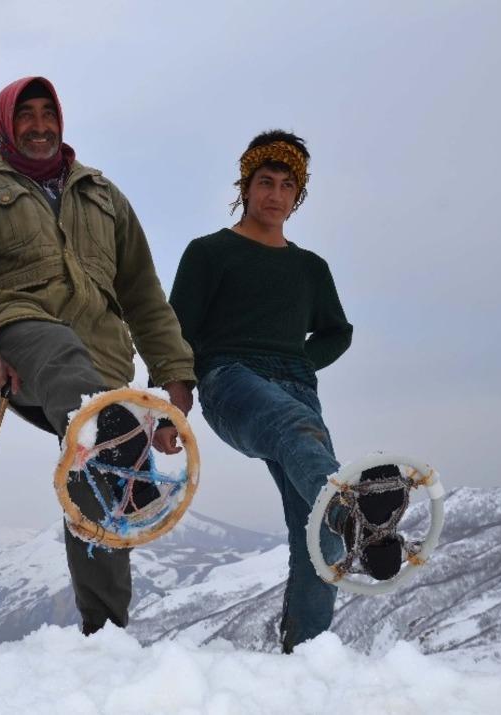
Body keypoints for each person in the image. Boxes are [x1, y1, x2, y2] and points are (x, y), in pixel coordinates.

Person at [0, 76, 195, 635]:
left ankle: (106, 633)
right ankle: (115, 441)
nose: (38, 126)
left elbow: (142, 293)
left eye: (47, 114)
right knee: (92, 414)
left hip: (105, 360)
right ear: (5, 124)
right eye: (25, 115)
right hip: (19, 334)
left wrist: (175, 377)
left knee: (96, 472)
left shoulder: (104, 196)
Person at [168, 130, 404, 653]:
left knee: (313, 532)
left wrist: (303, 361)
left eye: (287, 186)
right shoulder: (209, 253)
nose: (275, 195)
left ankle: (305, 657)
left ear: (299, 196)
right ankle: (356, 516)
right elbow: (175, 332)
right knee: (294, 431)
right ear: (245, 187)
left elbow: (337, 331)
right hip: (230, 378)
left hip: (297, 384)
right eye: (265, 182)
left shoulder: (310, 268)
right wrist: (173, 403)